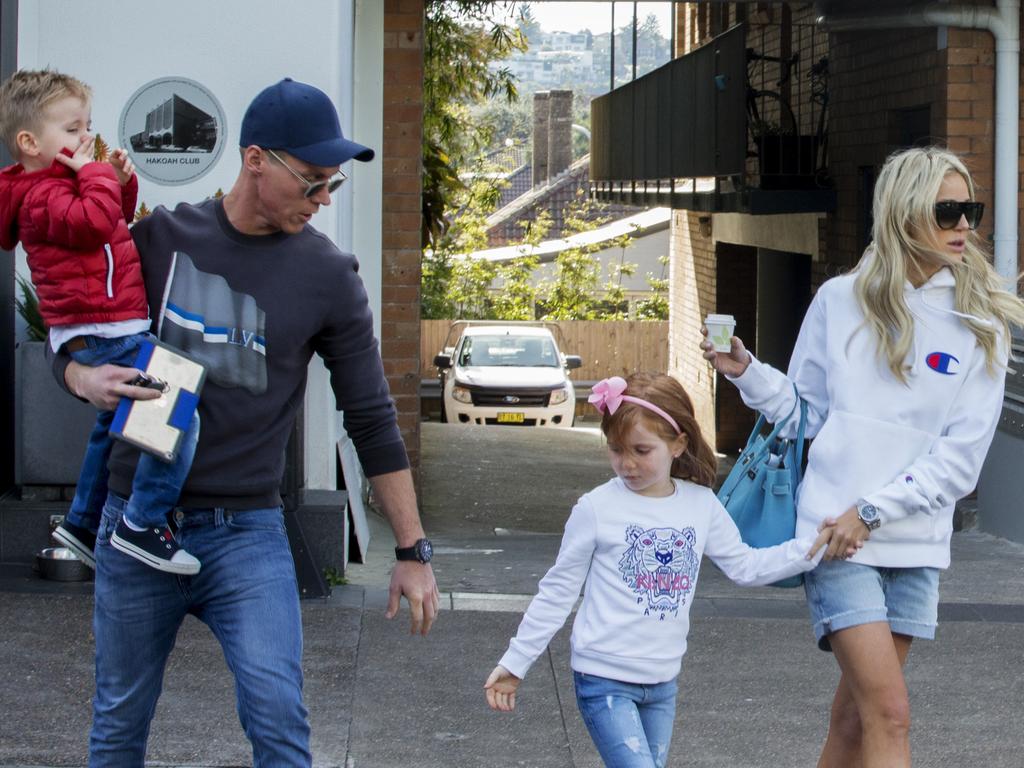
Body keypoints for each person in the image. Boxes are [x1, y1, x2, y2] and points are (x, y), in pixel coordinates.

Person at [50, 77, 440, 766]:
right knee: (119, 722)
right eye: (312, 182)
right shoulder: (160, 240)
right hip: (135, 526)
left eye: (333, 187)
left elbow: (372, 417)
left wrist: (411, 552)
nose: (322, 201)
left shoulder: (328, 274)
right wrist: (80, 377)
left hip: (247, 535)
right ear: (256, 159)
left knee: (278, 719)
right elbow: (78, 325)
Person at [701, 146, 1024, 767]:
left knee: (855, 719)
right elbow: (806, 414)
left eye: (971, 211)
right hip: (835, 536)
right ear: (904, 213)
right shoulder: (840, 300)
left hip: (912, 540)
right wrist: (747, 372)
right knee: (891, 714)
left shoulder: (982, 321)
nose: (964, 226)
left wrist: (873, 511)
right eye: (947, 211)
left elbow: (961, 460)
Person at [484, 373, 839, 768]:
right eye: (616, 449)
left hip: (662, 682)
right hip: (603, 678)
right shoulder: (596, 508)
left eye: (641, 449)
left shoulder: (701, 504)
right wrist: (515, 663)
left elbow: (744, 565)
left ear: (678, 444)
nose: (627, 463)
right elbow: (557, 591)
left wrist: (810, 548)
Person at [0, 68, 201, 574]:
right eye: (71, 130)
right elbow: (91, 223)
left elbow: (111, 225)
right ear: (28, 142)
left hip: (108, 322)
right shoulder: (39, 195)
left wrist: (123, 184)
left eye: (86, 125)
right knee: (175, 405)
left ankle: (81, 523)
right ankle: (143, 522)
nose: (85, 137)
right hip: (100, 325)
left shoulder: (61, 185)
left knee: (113, 424)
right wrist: (95, 176)